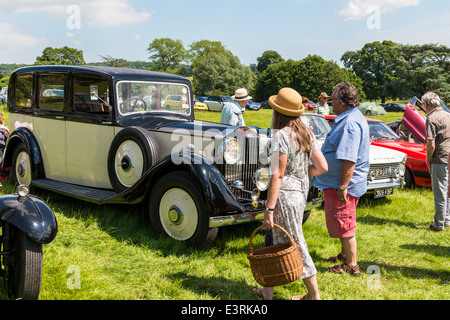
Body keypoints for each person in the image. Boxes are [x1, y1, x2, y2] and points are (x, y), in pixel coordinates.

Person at [253, 88, 328, 300]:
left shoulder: (281, 136)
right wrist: (299, 174)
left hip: (284, 197)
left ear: (278, 112)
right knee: (276, 242)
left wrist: (269, 209)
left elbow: (277, 174)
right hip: (299, 194)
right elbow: (322, 166)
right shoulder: (307, 133)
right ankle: (267, 291)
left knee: (295, 243)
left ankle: (314, 295)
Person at [314, 83, 370, 276]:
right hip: (337, 182)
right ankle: (345, 254)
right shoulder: (350, 117)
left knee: (344, 224)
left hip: (342, 184)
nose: (330, 102)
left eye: (332, 99)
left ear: (341, 101)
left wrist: (342, 187)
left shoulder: (349, 123)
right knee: (343, 221)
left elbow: (349, 158)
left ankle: (351, 265)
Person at [422, 92, 450, 231]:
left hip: (438, 158)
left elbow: (430, 144)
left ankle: (438, 224)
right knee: (447, 190)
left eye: (422, 104)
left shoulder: (431, 118)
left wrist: (428, 160)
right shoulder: (447, 114)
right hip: (448, 156)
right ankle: (446, 219)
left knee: (439, 192)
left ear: (426, 104)